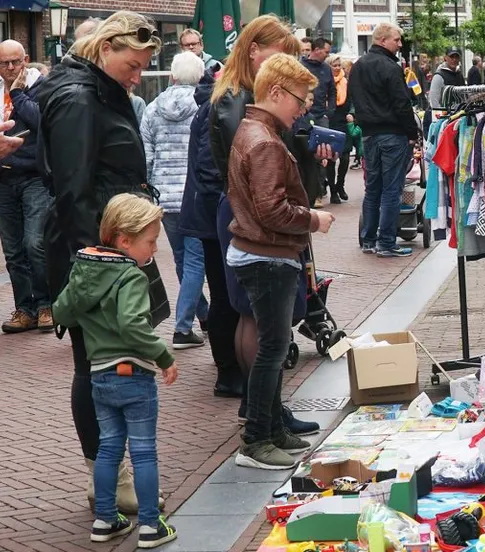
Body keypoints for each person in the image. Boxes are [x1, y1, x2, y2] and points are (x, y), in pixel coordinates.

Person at [38, 10, 164, 514]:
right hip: (97, 251)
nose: (137, 77)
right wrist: (104, 263)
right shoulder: (79, 98)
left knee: (112, 363)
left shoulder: (95, 91)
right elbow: (73, 192)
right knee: (97, 367)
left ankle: (110, 473)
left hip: (110, 246)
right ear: (106, 48)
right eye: (132, 65)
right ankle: (104, 477)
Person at [209, 14, 325, 435]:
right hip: (257, 220)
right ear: (255, 50)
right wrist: (310, 215)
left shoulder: (235, 97)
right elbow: (260, 179)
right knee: (264, 323)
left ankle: (263, 411)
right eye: (282, 55)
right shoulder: (241, 104)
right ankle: (264, 415)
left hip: (248, 212)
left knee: (255, 318)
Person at [226, 53, 335, 470]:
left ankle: (271, 429)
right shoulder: (265, 141)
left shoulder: (254, 130)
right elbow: (272, 210)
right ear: (275, 92)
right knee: (273, 348)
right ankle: (256, 439)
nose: (303, 107)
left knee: (273, 346)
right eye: (299, 99)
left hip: (262, 252)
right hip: (266, 254)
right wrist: (313, 219)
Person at [52, 194, 178, 548]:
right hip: (133, 375)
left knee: (108, 448)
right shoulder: (130, 276)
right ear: (124, 240)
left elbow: (62, 312)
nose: (153, 250)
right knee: (143, 450)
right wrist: (163, 355)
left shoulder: (85, 268)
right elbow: (132, 325)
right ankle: (152, 525)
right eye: (150, 241)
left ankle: (106, 520)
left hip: (99, 375)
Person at [140, 51, 209, 349]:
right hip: (194, 194)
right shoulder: (203, 107)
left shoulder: (153, 108)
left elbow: (147, 155)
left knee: (184, 261)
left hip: (164, 197)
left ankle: (205, 316)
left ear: (171, 75)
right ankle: (182, 328)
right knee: (195, 263)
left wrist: (151, 187)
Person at [348, 22, 419, 257]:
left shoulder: (358, 66)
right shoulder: (390, 66)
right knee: (391, 189)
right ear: (382, 40)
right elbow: (401, 103)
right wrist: (412, 133)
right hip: (392, 133)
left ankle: (368, 239)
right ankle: (386, 242)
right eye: (396, 40)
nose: (400, 44)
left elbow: (354, 98)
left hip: (369, 135)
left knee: (373, 189)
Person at [0, 39, 52, 334]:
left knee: (35, 243)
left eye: (15, 62)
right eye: (4, 63)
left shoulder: (40, 86)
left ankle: (46, 304)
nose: (10, 68)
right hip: (3, 179)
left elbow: (41, 121)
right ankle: (25, 308)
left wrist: (17, 93)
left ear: (26, 59)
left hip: (33, 177)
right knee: (13, 249)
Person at [300, 37, 336, 202]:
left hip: (321, 116)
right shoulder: (301, 67)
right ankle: (308, 190)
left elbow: (333, 91)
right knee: (306, 152)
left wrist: (330, 111)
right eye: (326, 52)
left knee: (324, 154)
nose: (328, 56)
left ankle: (319, 192)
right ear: (317, 49)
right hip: (303, 116)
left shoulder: (326, 69)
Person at [326, 54, 351, 204]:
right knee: (330, 158)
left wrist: (352, 113)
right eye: (334, 65)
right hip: (329, 120)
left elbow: (352, 99)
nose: (337, 68)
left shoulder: (346, 82)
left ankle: (340, 184)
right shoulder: (326, 82)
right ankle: (333, 191)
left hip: (343, 120)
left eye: (338, 65)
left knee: (345, 156)